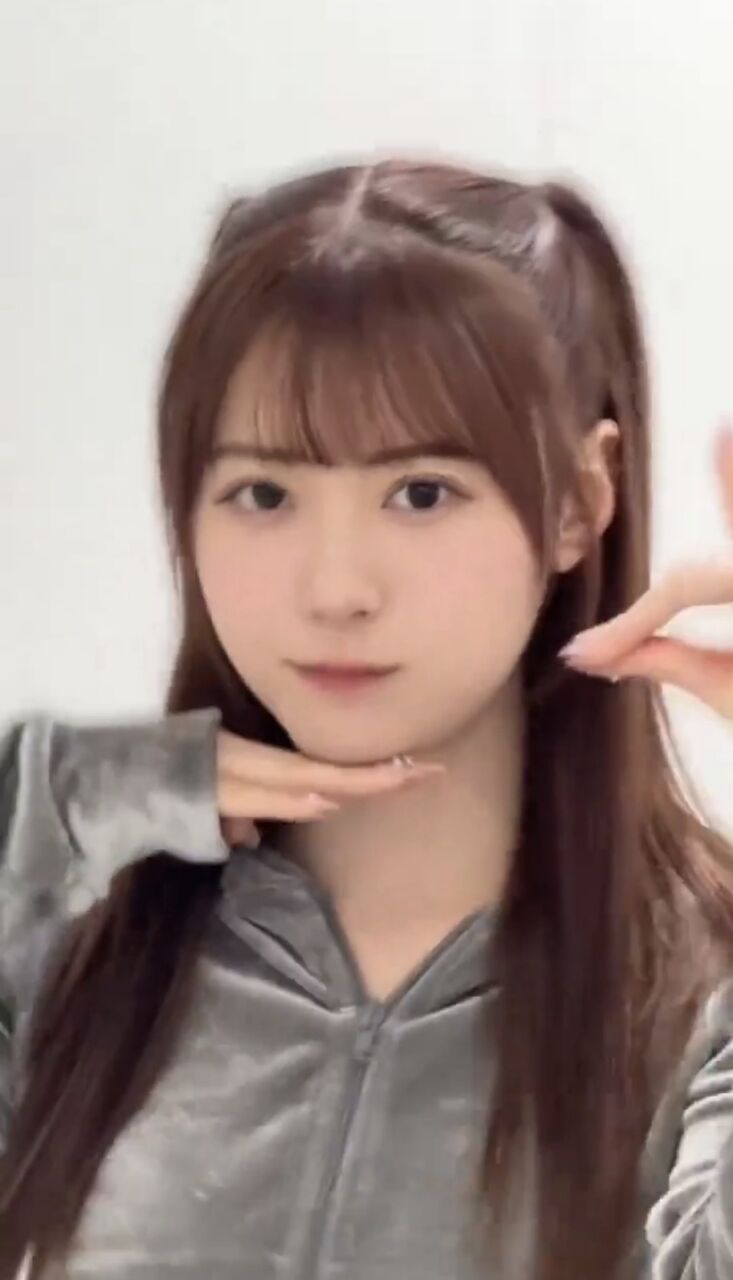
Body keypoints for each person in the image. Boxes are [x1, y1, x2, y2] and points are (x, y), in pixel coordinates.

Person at [2, 159, 733, 1280]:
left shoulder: (699, 993)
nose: (335, 587)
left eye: (421, 493)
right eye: (264, 493)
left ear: (579, 502)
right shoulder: (72, 947)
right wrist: (51, 799)